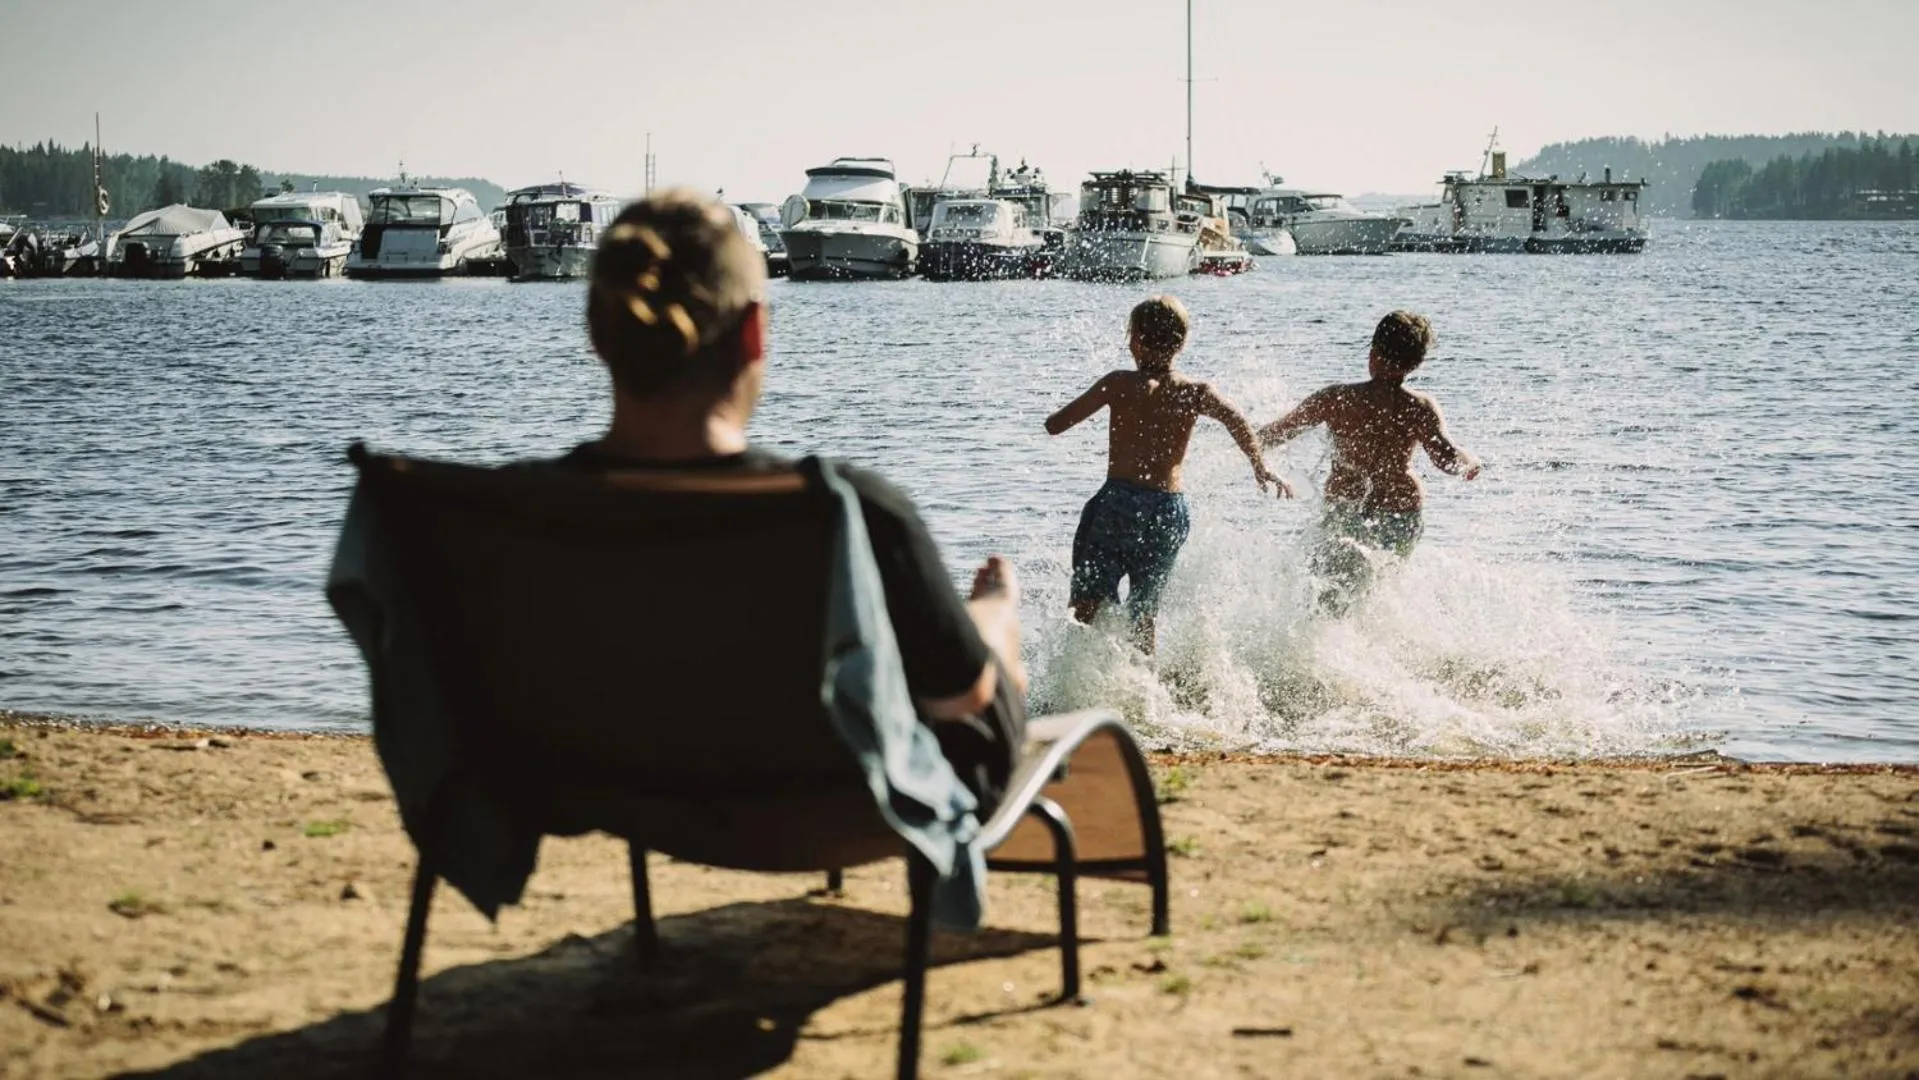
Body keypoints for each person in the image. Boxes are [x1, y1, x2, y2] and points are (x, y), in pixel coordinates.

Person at [550, 188, 1026, 809]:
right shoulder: (854, 509)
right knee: (982, 663)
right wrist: (997, 619)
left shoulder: (511, 510)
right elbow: (963, 706)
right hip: (845, 807)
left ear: (595, 334)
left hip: (636, 793)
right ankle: (990, 620)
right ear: (754, 333)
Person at [1045, 295, 1289, 653]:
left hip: (1117, 503)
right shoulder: (1195, 392)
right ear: (1181, 343)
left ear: (1137, 340)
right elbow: (1236, 419)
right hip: (1168, 510)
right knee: (1145, 613)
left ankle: (1070, 688)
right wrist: (1259, 464)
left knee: (1085, 607)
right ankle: (1145, 690)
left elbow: (1055, 426)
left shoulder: (1118, 383)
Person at [1258, 310, 1480, 612]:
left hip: (1345, 511)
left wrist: (1238, 445)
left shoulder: (1337, 399)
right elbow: (1447, 457)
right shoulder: (1419, 407)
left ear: (1373, 352)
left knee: (1326, 597)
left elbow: (1276, 433)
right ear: (1415, 364)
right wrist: (1470, 461)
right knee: (1375, 595)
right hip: (1400, 515)